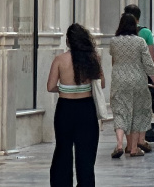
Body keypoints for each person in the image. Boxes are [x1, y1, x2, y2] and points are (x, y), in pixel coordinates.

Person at [46, 23, 102, 187]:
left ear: (68, 41)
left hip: (65, 108)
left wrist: (64, 88)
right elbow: (101, 83)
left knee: (63, 148)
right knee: (85, 151)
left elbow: (50, 86)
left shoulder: (60, 60)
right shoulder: (93, 59)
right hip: (86, 108)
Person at [108, 14, 154, 157]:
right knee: (138, 112)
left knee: (120, 112)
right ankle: (133, 149)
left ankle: (119, 145)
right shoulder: (140, 41)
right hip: (138, 80)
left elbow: (114, 60)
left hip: (119, 80)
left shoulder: (113, 41)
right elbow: (148, 63)